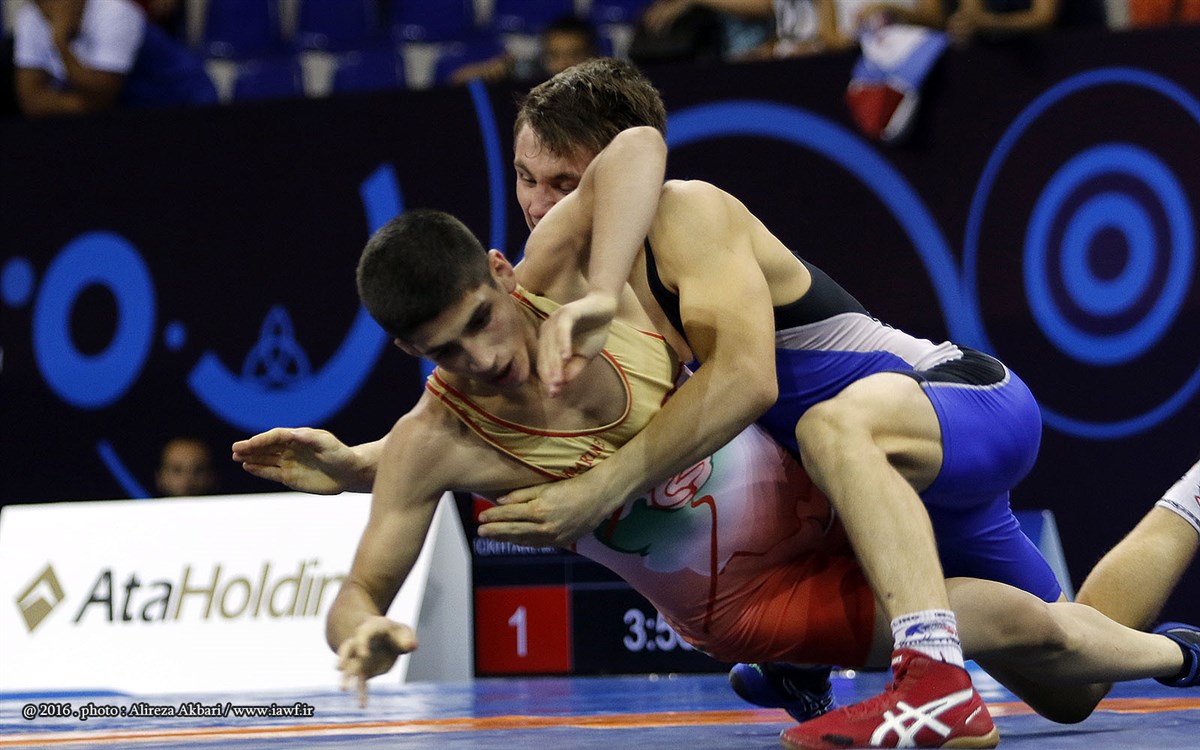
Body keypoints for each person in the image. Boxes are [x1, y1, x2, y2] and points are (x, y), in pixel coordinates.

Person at [232, 195, 1200, 736]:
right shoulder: (435, 441)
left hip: (836, 497)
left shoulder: (605, 291)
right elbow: (359, 589)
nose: (481, 358)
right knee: (1018, 624)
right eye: (443, 352)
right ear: (409, 355)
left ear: (501, 271)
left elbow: (633, 149)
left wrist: (598, 486)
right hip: (760, 598)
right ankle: (1187, 653)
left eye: (481, 321)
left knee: (1067, 689)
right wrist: (362, 632)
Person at [12, 0, 217, 117]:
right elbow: (30, 99)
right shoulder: (32, 17)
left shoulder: (117, 12)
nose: (47, 5)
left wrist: (61, 45)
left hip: (187, 103)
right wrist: (84, 105)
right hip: (133, 110)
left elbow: (102, 96)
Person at [448, 15, 600, 87]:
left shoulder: (606, 88)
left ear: (593, 55)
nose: (563, 65)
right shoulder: (529, 71)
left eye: (574, 55)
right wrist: (490, 71)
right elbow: (457, 80)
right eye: (554, 56)